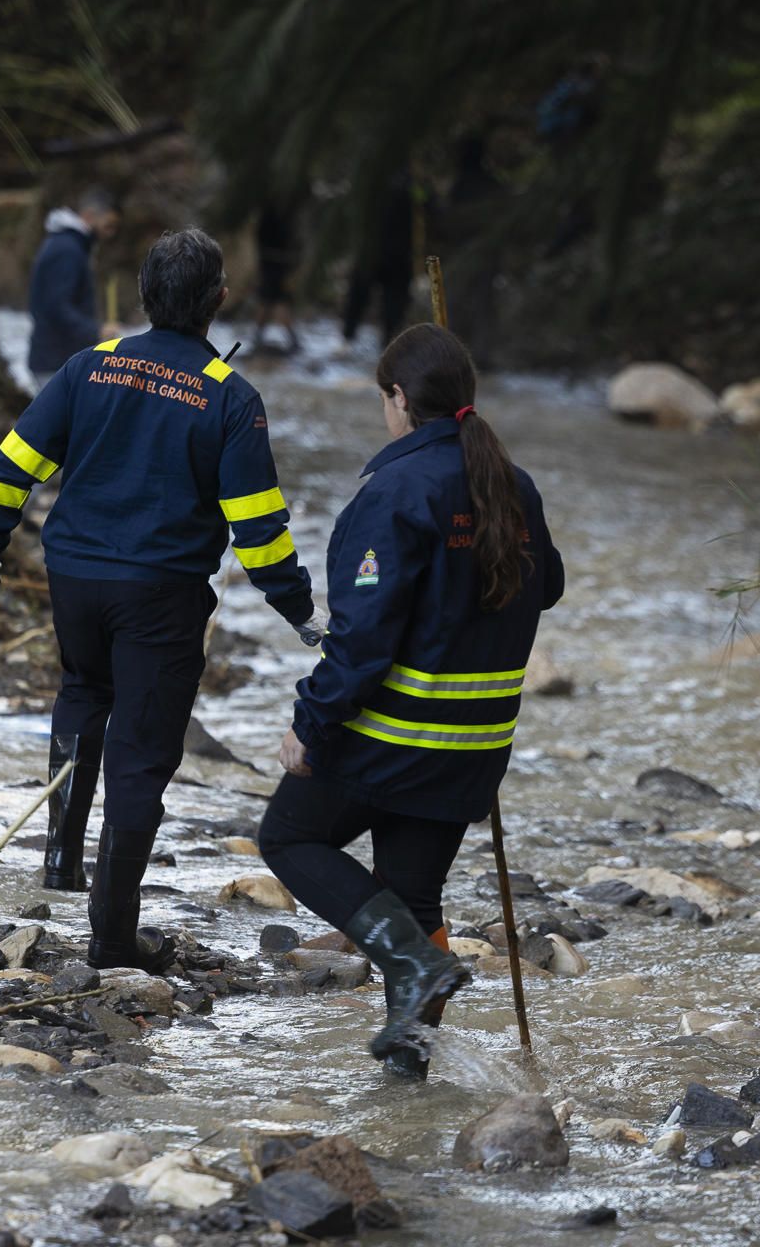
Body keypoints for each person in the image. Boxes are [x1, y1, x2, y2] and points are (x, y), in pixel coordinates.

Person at [0, 228, 324, 973]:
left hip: (77, 577)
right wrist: (301, 611)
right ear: (219, 300)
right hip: (160, 594)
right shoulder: (230, 397)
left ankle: (61, 858)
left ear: (144, 297)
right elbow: (257, 527)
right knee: (143, 752)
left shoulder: (88, 367)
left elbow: (13, 462)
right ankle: (113, 939)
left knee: (83, 691)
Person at [259, 324, 563, 1075]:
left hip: (394, 737)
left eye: (384, 400)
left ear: (399, 399)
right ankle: (408, 1070)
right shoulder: (511, 483)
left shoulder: (396, 490)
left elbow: (361, 641)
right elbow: (547, 586)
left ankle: (409, 963)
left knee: (289, 838)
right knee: (414, 895)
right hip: (473, 749)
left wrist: (311, 723)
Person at [25, 187, 119, 392]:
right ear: (89, 215)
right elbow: (56, 306)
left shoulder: (67, 245)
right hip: (54, 362)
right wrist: (96, 331)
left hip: (58, 359)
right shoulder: (67, 249)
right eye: (108, 225)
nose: (109, 234)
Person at [341, 168, 415, 345]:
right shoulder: (409, 186)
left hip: (380, 254)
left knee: (362, 296)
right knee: (387, 301)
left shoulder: (373, 185)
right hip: (395, 255)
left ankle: (351, 337)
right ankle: (385, 339)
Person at [252, 199, 302, 355]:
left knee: (273, 302)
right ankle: (289, 339)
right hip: (274, 265)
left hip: (274, 265)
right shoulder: (275, 213)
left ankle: (260, 337)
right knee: (276, 302)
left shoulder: (278, 211)